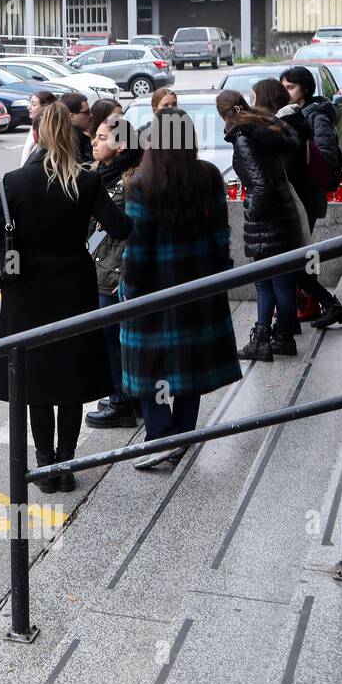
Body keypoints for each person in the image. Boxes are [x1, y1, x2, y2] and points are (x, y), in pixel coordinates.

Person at [0, 102, 131, 493]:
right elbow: (118, 226)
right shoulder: (86, 181)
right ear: (71, 133)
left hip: (27, 291)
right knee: (71, 376)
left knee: (35, 379)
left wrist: (4, 282)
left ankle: (44, 464)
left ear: (39, 135)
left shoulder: (14, 181)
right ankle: (66, 461)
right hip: (74, 285)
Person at [120, 109, 241, 470]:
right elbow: (222, 236)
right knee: (190, 366)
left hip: (155, 292)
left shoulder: (142, 183)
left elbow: (137, 248)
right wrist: (221, 276)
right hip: (201, 288)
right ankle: (181, 435)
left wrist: (128, 290)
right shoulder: (208, 176)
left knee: (144, 366)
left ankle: (161, 437)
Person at [217, 90, 305, 360]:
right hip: (284, 209)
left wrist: (251, 213)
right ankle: (284, 338)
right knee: (282, 280)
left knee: (264, 281)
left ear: (224, 113)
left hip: (267, 217)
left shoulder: (244, 138)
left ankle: (263, 339)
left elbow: (260, 185)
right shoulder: (264, 127)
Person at [276, 68, 342, 329]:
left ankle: (322, 303)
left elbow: (326, 156)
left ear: (304, 89)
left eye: (290, 87)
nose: (286, 92)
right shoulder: (294, 114)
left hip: (306, 195)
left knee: (303, 254)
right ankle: (310, 303)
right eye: (283, 87)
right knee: (300, 253)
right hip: (300, 194)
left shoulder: (316, 115)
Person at [85, 112, 143, 429]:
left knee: (115, 337)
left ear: (121, 145)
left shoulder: (133, 178)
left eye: (102, 138)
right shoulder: (103, 173)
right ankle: (124, 395)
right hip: (101, 264)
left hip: (118, 270)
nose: (94, 142)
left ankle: (124, 401)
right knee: (111, 337)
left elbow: (130, 229)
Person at [19, 90, 57, 165]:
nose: (28, 107)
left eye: (33, 105)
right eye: (30, 103)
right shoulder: (35, 125)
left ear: (45, 107)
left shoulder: (47, 128)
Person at [59, 92, 94, 163]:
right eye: (87, 112)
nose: (91, 115)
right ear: (70, 116)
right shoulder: (73, 140)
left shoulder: (59, 134)